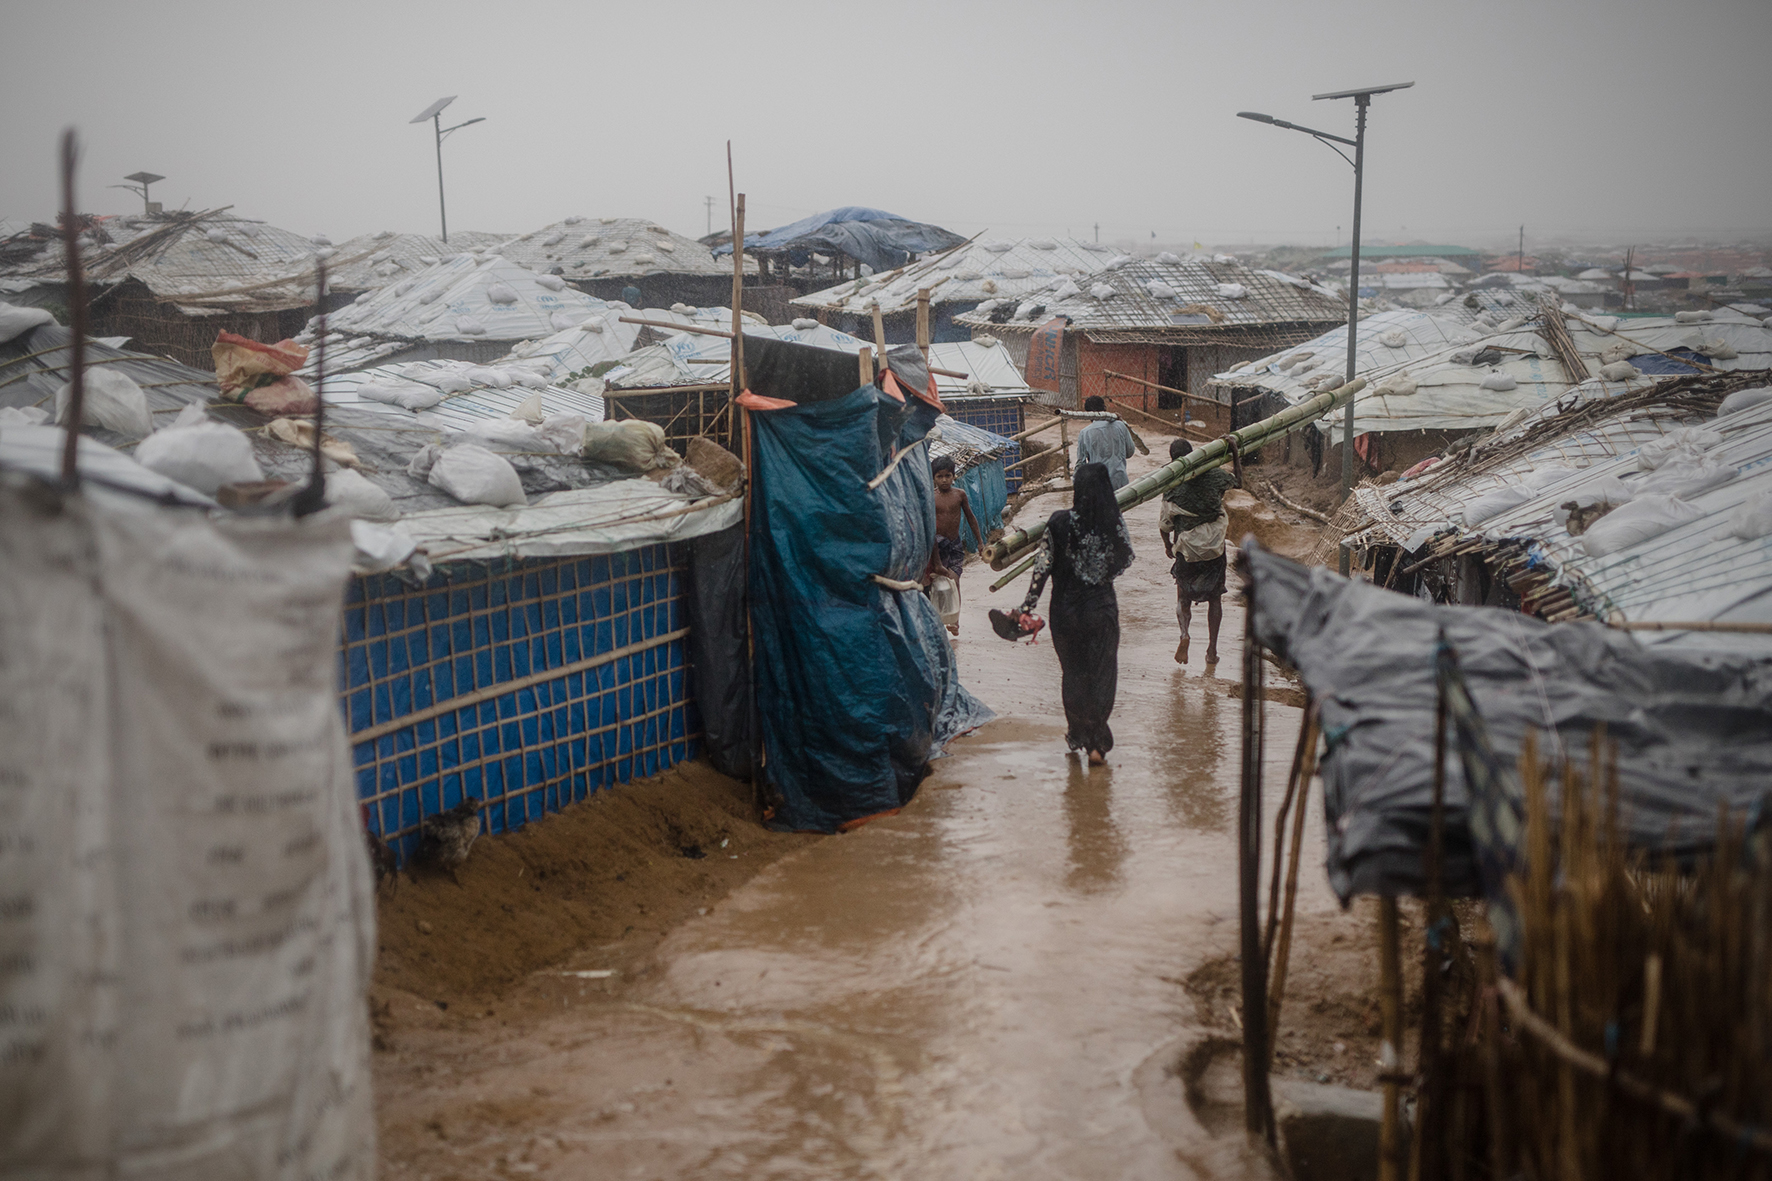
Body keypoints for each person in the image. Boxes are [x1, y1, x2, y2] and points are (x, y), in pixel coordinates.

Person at [1004, 462, 1133, 765]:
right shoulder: (1112, 522)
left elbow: (1042, 567)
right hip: (1101, 610)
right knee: (1102, 674)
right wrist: (1099, 572)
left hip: (1065, 612)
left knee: (1073, 675)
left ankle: (1078, 733)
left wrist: (1026, 606)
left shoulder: (1059, 522)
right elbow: (1125, 557)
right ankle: (1097, 744)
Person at [1158, 438, 1241, 666]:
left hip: (1187, 547)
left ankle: (1184, 634)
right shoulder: (1214, 475)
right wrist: (1234, 451)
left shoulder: (1172, 483)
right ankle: (1212, 651)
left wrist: (1167, 546)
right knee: (1215, 599)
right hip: (1214, 546)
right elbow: (1239, 482)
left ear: (1173, 459)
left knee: (1183, 596)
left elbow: (1165, 523)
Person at [927, 456, 983, 635]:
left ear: (954, 476)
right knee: (936, 584)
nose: (944, 480)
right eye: (940, 476)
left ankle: (954, 620)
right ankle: (937, 620)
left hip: (955, 544)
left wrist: (980, 542)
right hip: (937, 546)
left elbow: (971, 518)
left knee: (955, 581)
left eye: (948, 476)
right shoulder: (931, 498)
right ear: (934, 478)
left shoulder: (960, 495)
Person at [1074, 395, 1137, 489]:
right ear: (1105, 408)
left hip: (1098, 483)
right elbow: (1130, 452)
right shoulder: (1121, 426)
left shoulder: (1085, 433)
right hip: (1120, 480)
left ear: (1087, 414)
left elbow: (1081, 464)